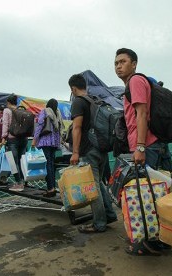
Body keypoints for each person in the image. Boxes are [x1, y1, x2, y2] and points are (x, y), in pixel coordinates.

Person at [115, 48, 172, 255]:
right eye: (116, 63)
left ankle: (150, 241)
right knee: (151, 193)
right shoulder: (134, 83)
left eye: (123, 61)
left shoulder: (135, 81)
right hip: (147, 144)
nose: (118, 66)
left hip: (146, 145)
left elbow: (142, 113)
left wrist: (139, 147)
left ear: (134, 63)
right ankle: (155, 239)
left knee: (147, 195)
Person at [68, 74, 117, 233]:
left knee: (92, 187)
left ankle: (99, 223)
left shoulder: (78, 102)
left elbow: (76, 128)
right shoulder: (94, 101)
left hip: (88, 150)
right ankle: (109, 214)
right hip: (101, 148)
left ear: (73, 88)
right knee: (99, 184)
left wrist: (75, 152)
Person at [31, 98, 64, 197]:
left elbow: (39, 126)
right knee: (51, 165)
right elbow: (60, 129)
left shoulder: (45, 112)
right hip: (54, 144)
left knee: (47, 166)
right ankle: (53, 187)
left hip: (45, 142)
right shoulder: (58, 114)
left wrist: (34, 140)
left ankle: (50, 189)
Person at [2, 94, 27, 192]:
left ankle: (18, 183)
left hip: (12, 139)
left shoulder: (7, 110)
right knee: (21, 161)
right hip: (24, 139)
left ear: (8, 102)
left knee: (13, 162)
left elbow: (5, 124)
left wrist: (4, 137)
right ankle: (23, 181)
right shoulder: (21, 109)